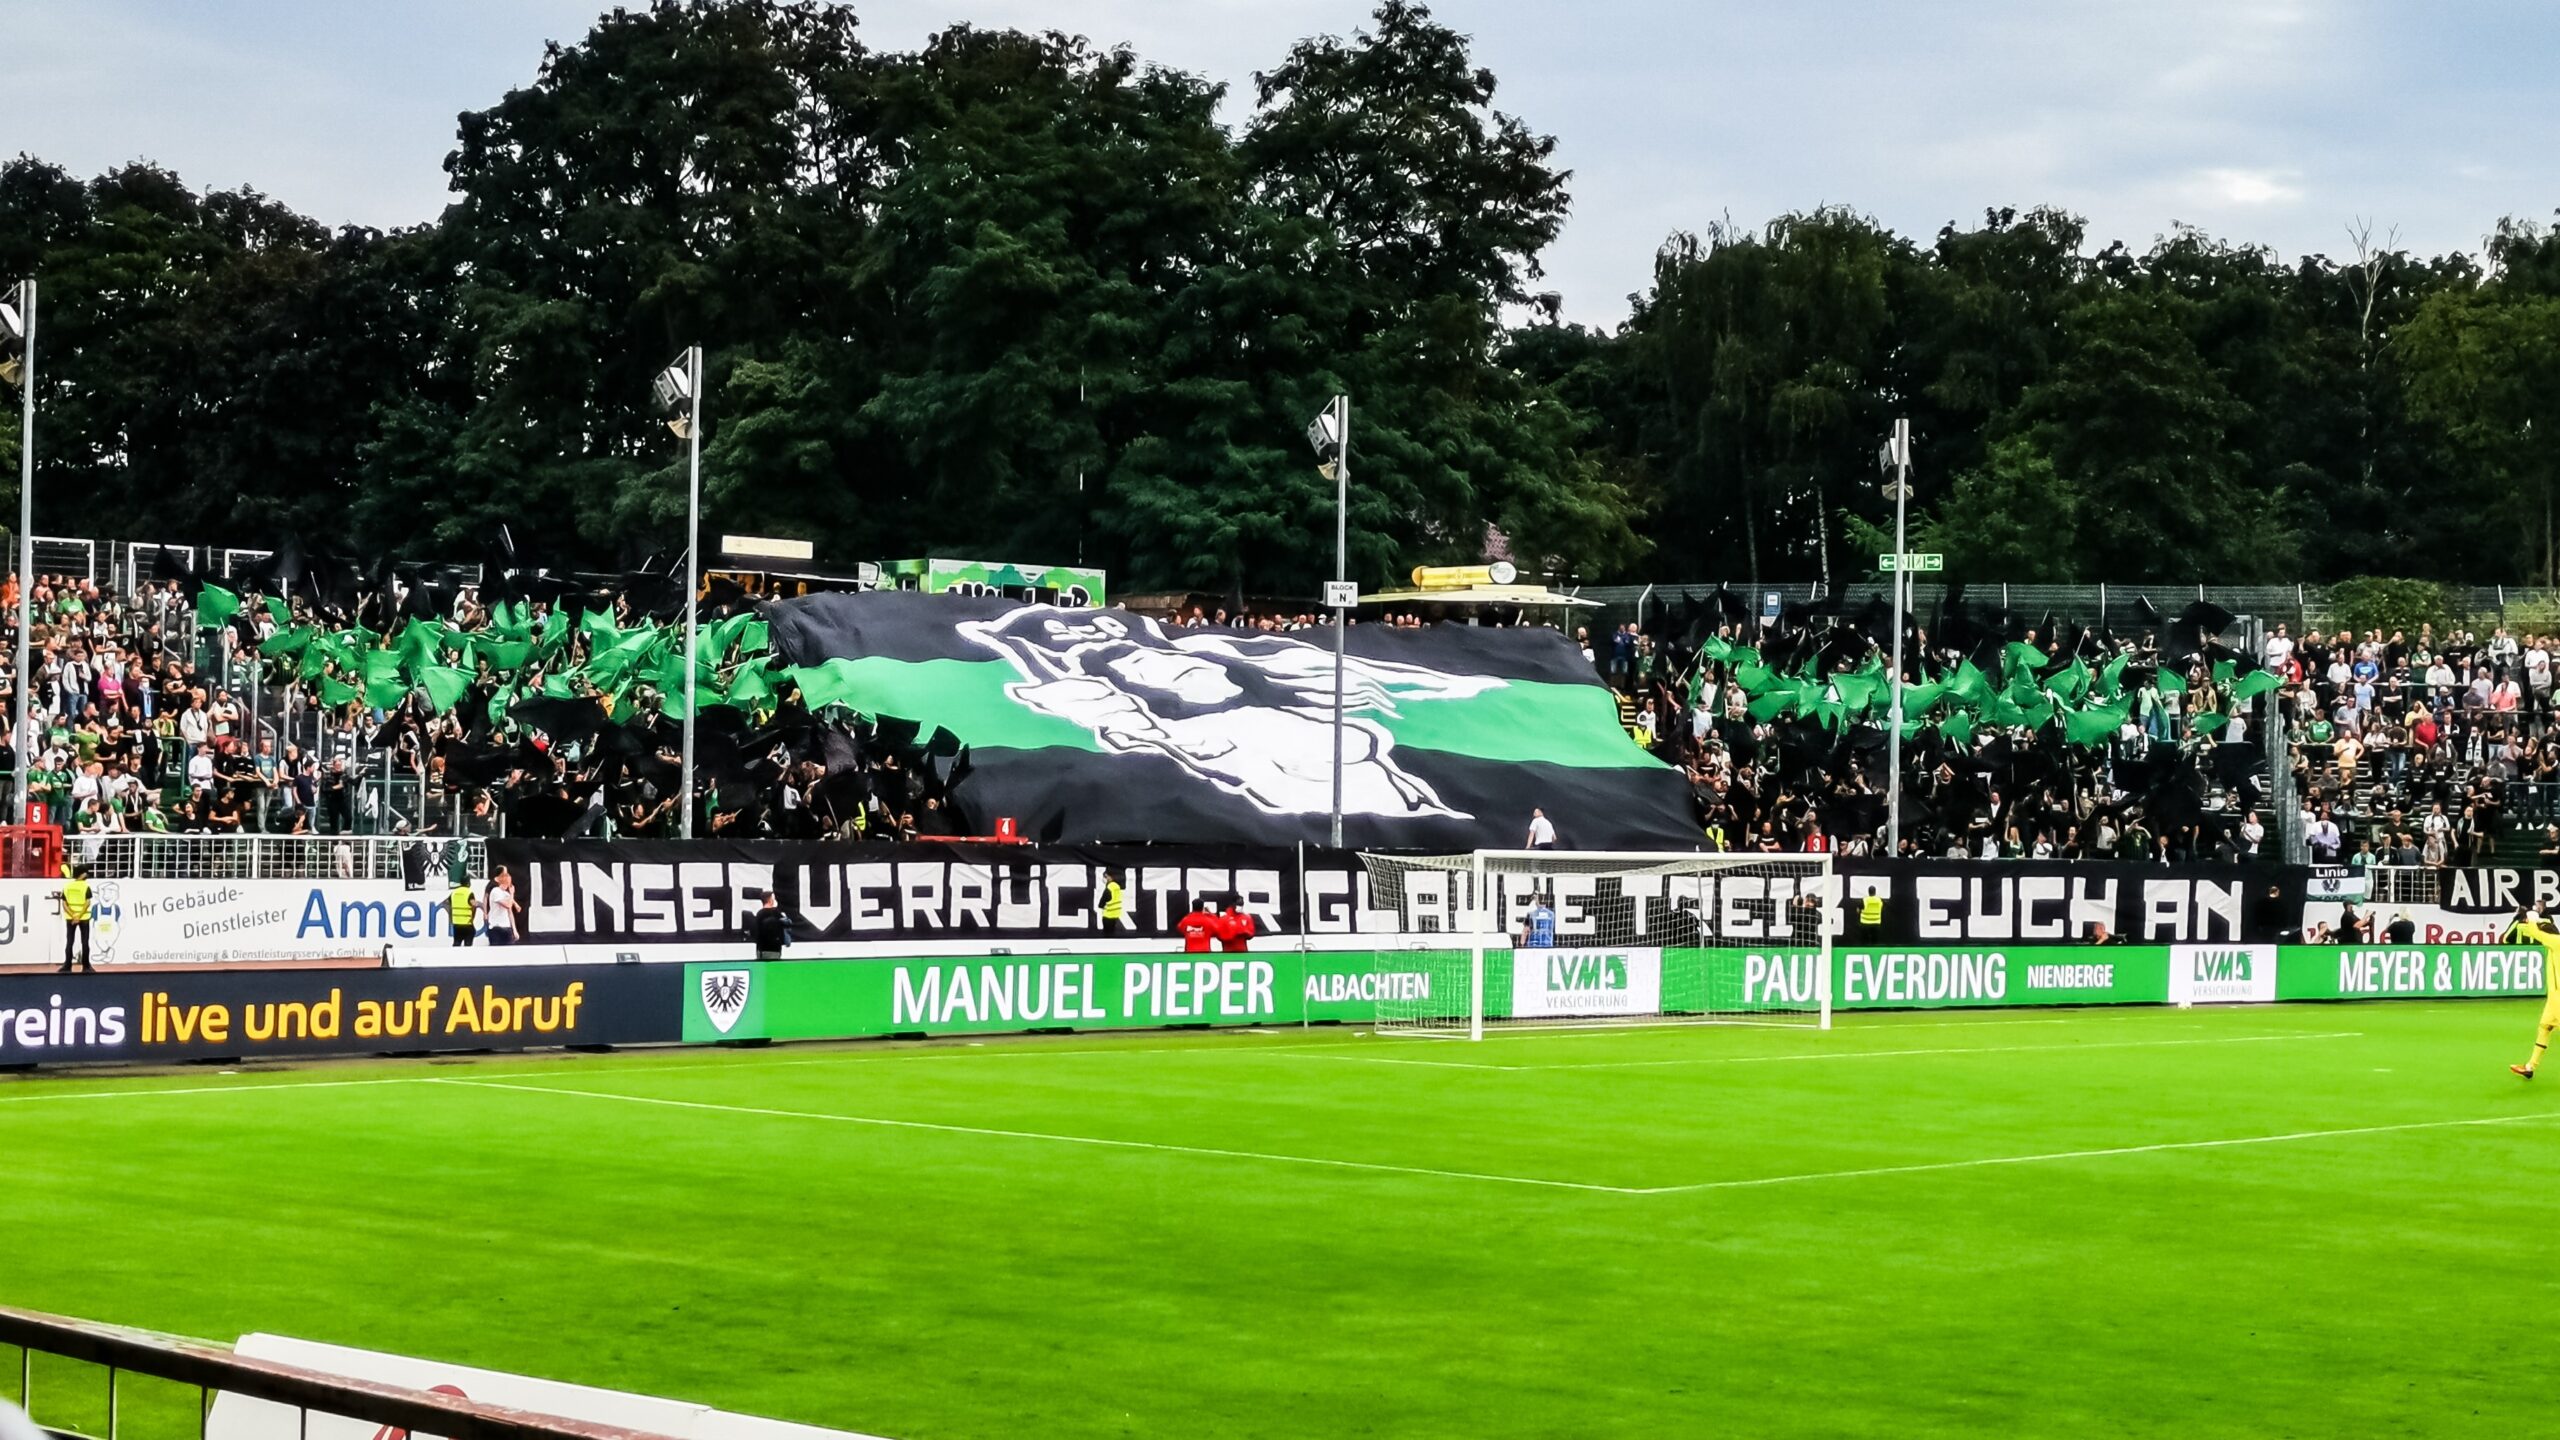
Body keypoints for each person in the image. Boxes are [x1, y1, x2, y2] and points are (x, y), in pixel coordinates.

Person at [2508, 905, 2560, 1078]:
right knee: (2544, 1027)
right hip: (2554, 1000)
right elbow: (2530, 930)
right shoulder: (2554, 945)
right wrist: (2530, 921)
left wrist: (2531, 917)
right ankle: (2530, 1067)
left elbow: (2536, 932)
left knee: (2545, 1028)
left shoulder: (2557, 942)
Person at [55, 865, 94, 974]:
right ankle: (86, 966)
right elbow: (87, 903)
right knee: (85, 942)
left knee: (69, 942)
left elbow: (64, 903)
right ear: (82, 874)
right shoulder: (86, 887)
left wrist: (73, 915)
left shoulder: (67, 886)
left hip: (70, 918)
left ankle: (67, 966)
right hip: (84, 917)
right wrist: (79, 916)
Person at [748, 890, 792, 959]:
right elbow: (787, 924)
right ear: (770, 900)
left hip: (761, 949)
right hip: (775, 949)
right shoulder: (776, 913)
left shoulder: (759, 914)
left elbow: (755, 933)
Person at [482, 867, 520, 946]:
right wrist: (485, 913)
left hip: (507, 927)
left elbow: (510, 913)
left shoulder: (506, 894)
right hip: (496, 928)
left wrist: (514, 930)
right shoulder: (495, 890)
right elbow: (508, 905)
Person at [447, 876, 477, 947]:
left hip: (456, 924)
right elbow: (474, 905)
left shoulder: (454, 892)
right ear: (468, 883)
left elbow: (447, 903)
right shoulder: (469, 892)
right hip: (467, 923)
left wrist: (451, 916)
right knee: (468, 945)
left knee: (457, 944)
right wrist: (472, 917)